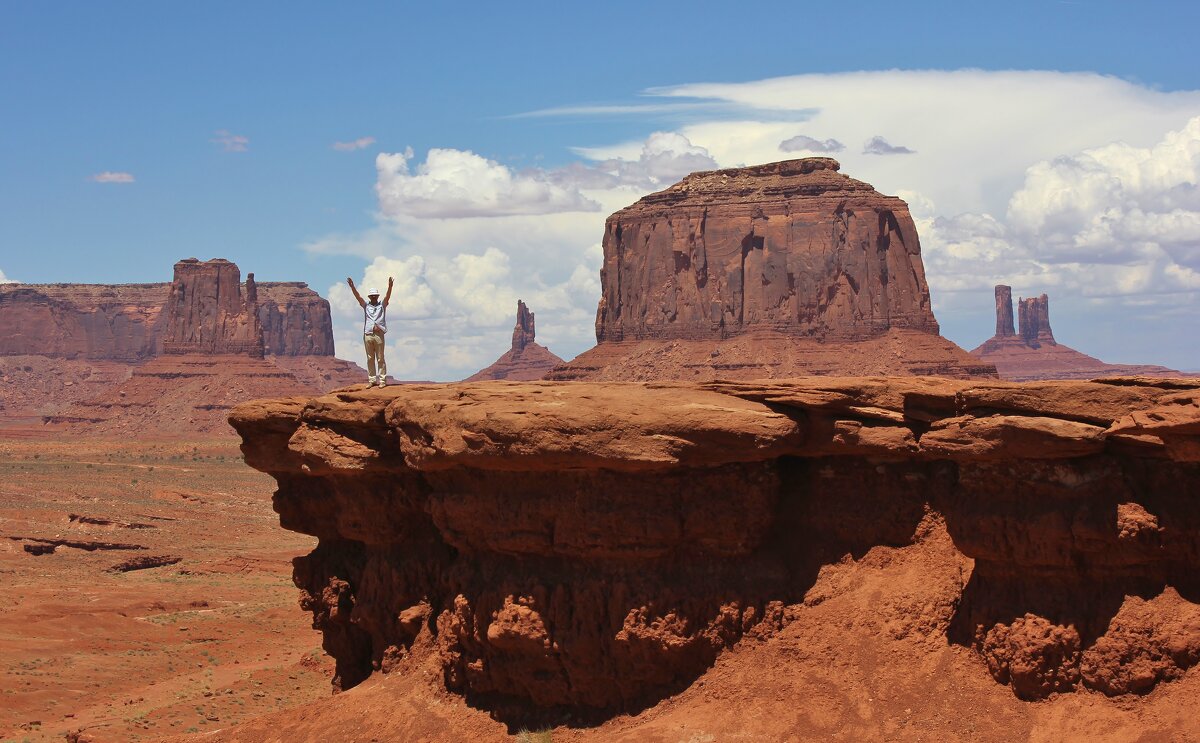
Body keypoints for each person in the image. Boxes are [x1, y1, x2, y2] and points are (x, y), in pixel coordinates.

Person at [347, 276, 393, 387]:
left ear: (377, 296)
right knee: (370, 358)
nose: (373, 297)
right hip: (368, 334)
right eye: (372, 296)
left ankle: (382, 381)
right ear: (369, 297)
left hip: (379, 334)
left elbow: (388, 297)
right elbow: (358, 297)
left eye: (375, 296)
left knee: (380, 357)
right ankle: (372, 380)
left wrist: (390, 286)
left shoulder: (382, 305)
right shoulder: (366, 306)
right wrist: (352, 287)